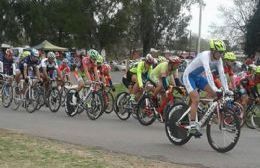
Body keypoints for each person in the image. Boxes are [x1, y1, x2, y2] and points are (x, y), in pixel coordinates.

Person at [183, 39, 232, 137]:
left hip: (197, 77)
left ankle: (201, 111)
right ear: (213, 51)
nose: (221, 55)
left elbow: (222, 75)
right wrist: (214, 87)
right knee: (196, 99)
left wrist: (226, 90)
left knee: (214, 94)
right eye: (219, 52)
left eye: (222, 53)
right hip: (188, 76)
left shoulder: (219, 60)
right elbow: (208, 72)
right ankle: (192, 126)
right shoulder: (205, 55)